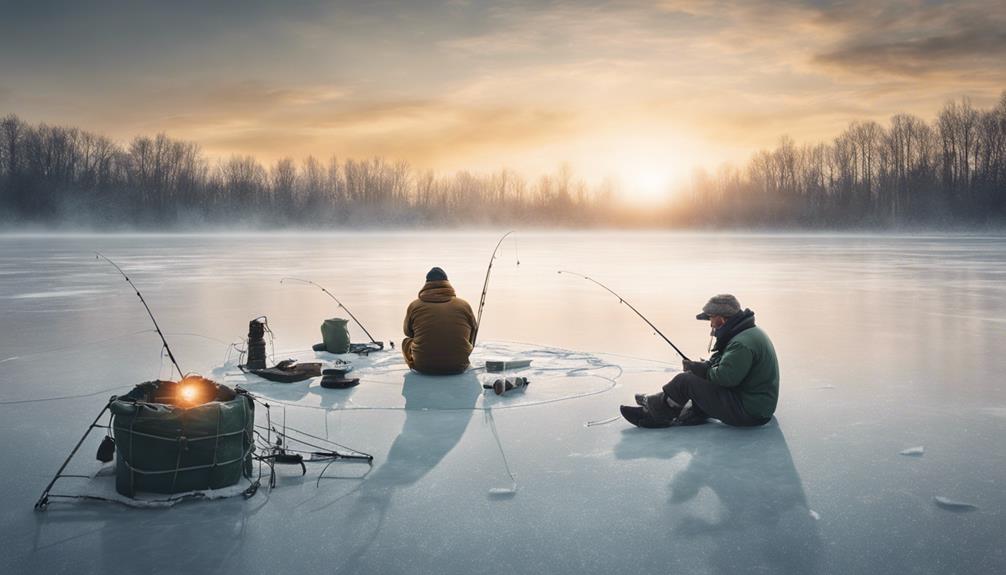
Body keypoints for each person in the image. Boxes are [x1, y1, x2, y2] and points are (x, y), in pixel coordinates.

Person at [620, 294, 779, 428]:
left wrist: (700, 370)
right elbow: (728, 367)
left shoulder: (740, 344)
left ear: (722, 319)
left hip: (750, 412)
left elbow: (726, 378)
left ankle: (657, 414)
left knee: (686, 381)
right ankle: (674, 405)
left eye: (711, 318)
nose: (710, 324)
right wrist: (702, 367)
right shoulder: (745, 333)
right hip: (756, 406)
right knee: (696, 377)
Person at [401, 267, 477, 375]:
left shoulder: (414, 305)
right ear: (447, 283)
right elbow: (474, 329)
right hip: (460, 366)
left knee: (406, 342)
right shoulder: (463, 305)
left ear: (426, 284)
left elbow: (408, 332)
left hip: (423, 366)